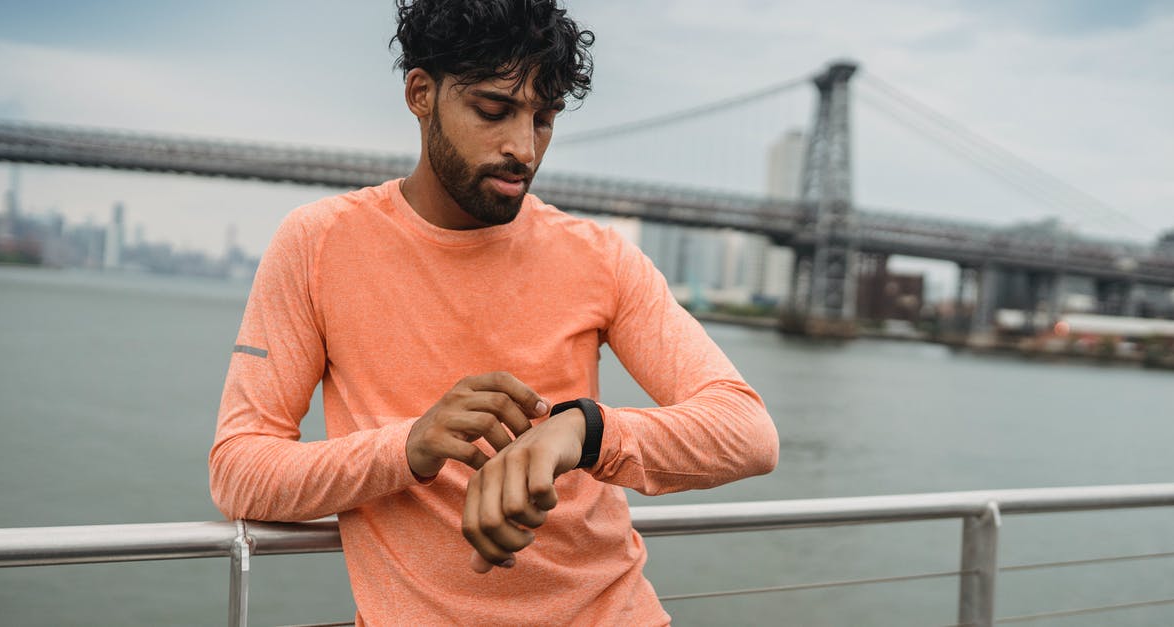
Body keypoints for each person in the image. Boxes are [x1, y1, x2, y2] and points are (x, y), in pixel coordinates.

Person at [209, 0, 779, 624]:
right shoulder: (319, 243)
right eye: (493, 110)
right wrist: (412, 446)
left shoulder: (601, 256)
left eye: (544, 118)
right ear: (421, 93)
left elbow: (746, 433)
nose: (523, 149)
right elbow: (240, 472)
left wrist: (582, 432)